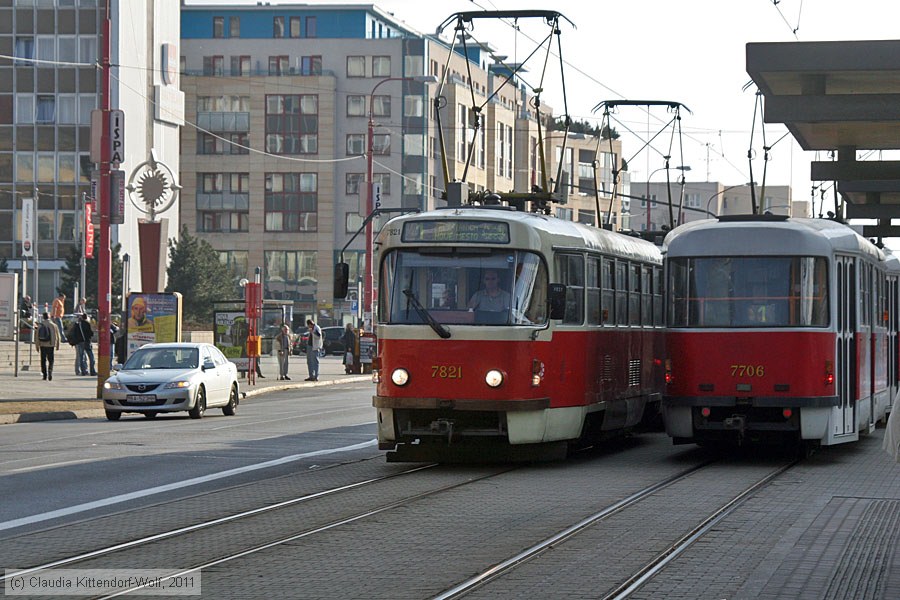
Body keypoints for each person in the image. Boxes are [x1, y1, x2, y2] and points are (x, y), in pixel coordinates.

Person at [34, 312, 60, 381]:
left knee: (43, 360)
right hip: (51, 345)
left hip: (42, 344)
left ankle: (44, 375)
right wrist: (57, 345)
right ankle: (50, 371)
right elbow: (58, 336)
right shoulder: (53, 325)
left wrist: (37, 346)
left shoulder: (40, 326)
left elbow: (36, 337)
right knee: (51, 360)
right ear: (49, 317)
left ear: (43, 317)